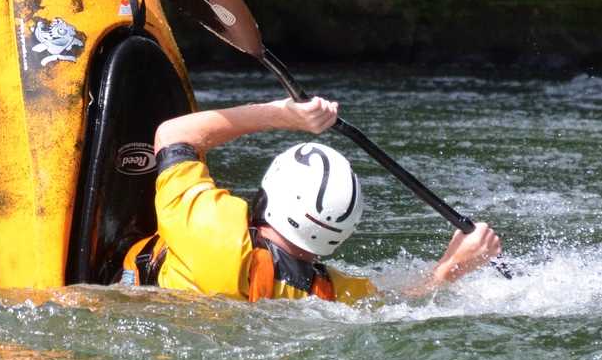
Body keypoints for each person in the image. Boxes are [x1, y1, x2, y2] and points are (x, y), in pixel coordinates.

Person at [121, 95, 502, 305]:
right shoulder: (329, 296)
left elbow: (174, 134)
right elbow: (404, 301)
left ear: (269, 193)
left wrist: (282, 114)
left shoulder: (209, 226)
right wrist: (451, 268)